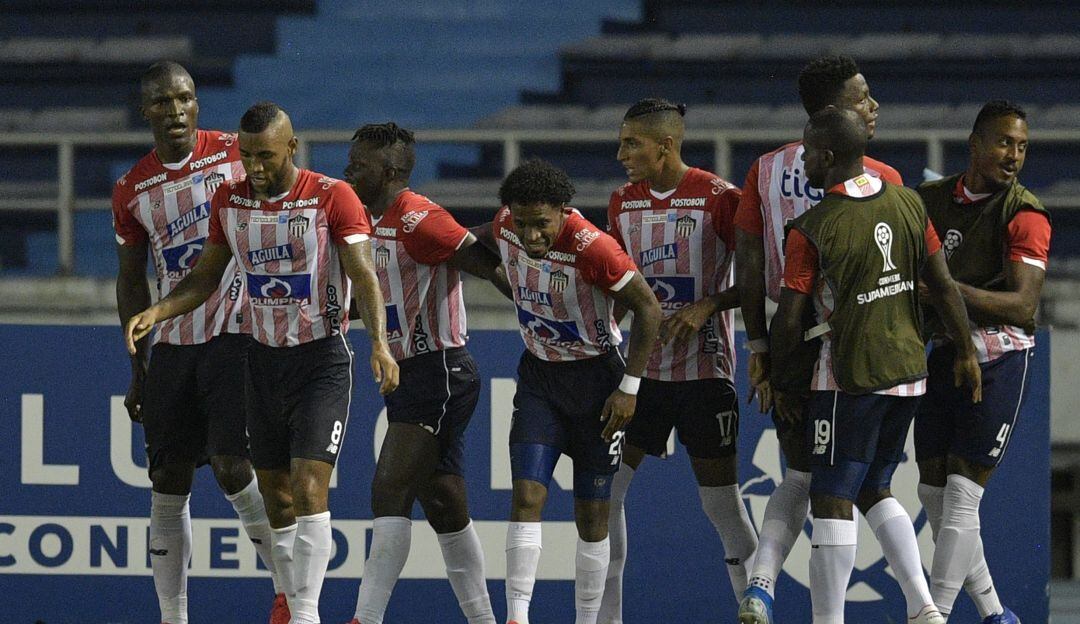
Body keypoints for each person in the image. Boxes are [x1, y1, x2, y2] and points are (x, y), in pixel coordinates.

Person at [124, 101, 399, 624]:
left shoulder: (330, 196)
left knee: (308, 484)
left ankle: (307, 616)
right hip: (260, 359)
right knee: (276, 496)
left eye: (266, 156)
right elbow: (206, 276)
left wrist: (380, 344)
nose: (254, 166)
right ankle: (291, 602)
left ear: (292, 148)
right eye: (247, 155)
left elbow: (364, 276)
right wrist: (158, 310)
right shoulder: (229, 200)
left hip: (320, 359)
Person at [770, 107, 982, 624]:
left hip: (850, 377)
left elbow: (790, 319)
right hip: (909, 373)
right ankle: (924, 605)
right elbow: (944, 285)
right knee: (876, 485)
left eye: (807, 154)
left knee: (831, 493)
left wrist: (780, 379)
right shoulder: (910, 203)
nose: (804, 164)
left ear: (826, 156)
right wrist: (967, 350)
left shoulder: (813, 227)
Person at [112, 61, 285, 624]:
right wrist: (139, 367)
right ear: (146, 111)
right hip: (174, 342)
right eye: (163, 102)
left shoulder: (240, 153)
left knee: (235, 466)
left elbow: (292, 207)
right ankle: (173, 615)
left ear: (197, 103)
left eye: (184, 98)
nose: (176, 110)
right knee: (167, 479)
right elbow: (131, 279)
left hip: (238, 331)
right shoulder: (132, 189)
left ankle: (289, 593)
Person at [735, 55, 904, 623]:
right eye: (863, 99)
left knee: (802, 471)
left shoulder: (763, 169)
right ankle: (924, 606)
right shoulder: (887, 179)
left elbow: (751, 268)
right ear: (833, 112)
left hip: (788, 337)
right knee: (851, 484)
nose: (874, 106)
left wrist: (760, 353)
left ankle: (761, 584)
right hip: (854, 348)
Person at [474, 159, 661, 624]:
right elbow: (465, 244)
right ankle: (517, 616)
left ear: (563, 210)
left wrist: (630, 389)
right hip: (540, 380)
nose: (531, 235)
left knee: (592, 515)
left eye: (542, 224)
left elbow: (648, 309)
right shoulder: (505, 226)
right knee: (527, 496)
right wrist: (510, 284)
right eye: (522, 223)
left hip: (599, 384)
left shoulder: (596, 249)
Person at [342, 122, 511, 624]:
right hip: (414, 375)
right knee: (443, 501)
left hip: (439, 371)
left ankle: (364, 619)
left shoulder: (418, 218)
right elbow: (386, 296)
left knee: (388, 489)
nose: (348, 171)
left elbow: (486, 264)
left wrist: (539, 309)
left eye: (359, 165)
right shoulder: (371, 219)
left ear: (391, 171)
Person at [601, 98, 757, 623]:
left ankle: (755, 606)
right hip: (640, 376)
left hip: (705, 373)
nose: (621, 153)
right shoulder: (622, 203)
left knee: (722, 505)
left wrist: (710, 304)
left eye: (632, 143)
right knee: (605, 494)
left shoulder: (720, 198)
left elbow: (760, 278)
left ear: (665, 145)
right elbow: (621, 287)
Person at [915, 101, 1050, 624]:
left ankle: (936, 615)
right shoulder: (928, 200)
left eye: (1021, 146)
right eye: (1003, 143)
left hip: (1000, 358)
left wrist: (943, 290)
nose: (1013, 156)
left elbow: (1022, 305)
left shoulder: (1025, 213)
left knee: (963, 498)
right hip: (944, 353)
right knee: (932, 491)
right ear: (974, 144)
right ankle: (995, 614)